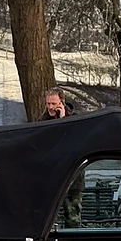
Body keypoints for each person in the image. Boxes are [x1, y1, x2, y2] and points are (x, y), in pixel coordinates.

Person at [40, 87, 82, 226]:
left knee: (72, 215)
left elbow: (74, 141)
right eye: (48, 104)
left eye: (53, 103)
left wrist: (63, 119)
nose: (50, 107)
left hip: (72, 174)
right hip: (52, 174)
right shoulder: (43, 121)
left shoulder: (74, 119)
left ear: (61, 102)